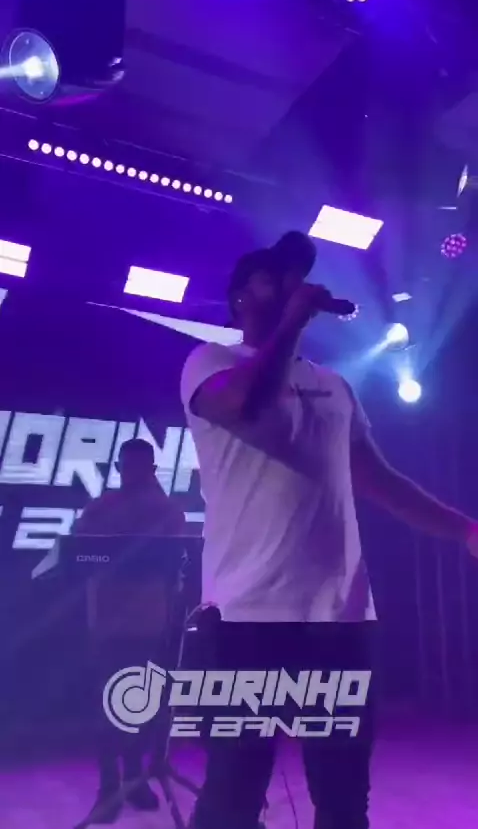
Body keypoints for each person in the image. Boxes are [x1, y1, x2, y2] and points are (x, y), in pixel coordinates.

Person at [180, 231, 478, 829]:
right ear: (240, 298)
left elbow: (380, 480)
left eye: (295, 277)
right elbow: (244, 406)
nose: (290, 285)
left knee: (343, 800)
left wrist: (466, 529)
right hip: (246, 617)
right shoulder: (211, 363)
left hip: (341, 618)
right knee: (233, 794)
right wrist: (293, 320)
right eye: (273, 277)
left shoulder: (335, 385)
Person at [73, 438, 185, 826]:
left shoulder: (166, 509)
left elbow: (175, 552)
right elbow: (77, 550)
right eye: (127, 467)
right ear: (119, 468)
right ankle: (108, 787)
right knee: (105, 704)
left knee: (143, 705)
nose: (133, 474)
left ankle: (135, 780)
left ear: (152, 469)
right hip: (106, 620)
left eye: (141, 467)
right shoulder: (100, 506)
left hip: (150, 620)